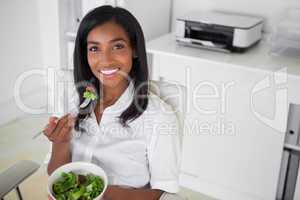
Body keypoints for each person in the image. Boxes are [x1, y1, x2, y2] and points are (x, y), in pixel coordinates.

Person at [44, 5, 181, 200]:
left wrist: (96, 193)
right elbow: (55, 173)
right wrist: (61, 142)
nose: (106, 60)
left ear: (134, 49)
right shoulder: (70, 100)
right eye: (94, 48)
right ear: (85, 54)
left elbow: (163, 193)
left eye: (117, 46)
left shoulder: (160, 116)